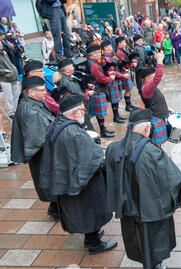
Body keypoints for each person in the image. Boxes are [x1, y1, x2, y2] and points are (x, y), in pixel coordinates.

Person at [105, 108, 181, 269]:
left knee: (135, 235)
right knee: (152, 238)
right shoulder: (152, 152)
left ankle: (147, 267)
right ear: (146, 128)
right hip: (149, 206)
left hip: (127, 206)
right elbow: (172, 180)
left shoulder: (113, 148)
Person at [39, 93, 115, 253]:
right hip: (81, 183)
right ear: (74, 112)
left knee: (84, 211)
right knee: (90, 210)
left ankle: (91, 236)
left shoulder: (57, 123)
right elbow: (91, 160)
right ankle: (94, 244)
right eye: (82, 109)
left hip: (65, 177)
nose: (85, 112)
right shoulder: (74, 133)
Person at [10, 76, 59, 221]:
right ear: (31, 92)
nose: (45, 93)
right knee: (50, 180)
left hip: (44, 153)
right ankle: (57, 211)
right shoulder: (31, 111)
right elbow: (38, 139)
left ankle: (54, 207)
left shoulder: (34, 102)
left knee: (49, 181)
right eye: (42, 90)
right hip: (43, 154)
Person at [137, 53, 174, 147]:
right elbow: (158, 77)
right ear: (144, 79)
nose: (154, 80)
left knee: (159, 144)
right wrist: (160, 61)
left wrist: (166, 108)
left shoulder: (149, 86)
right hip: (155, 118)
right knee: (155, 144)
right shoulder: (146, 88)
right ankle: (155, 158)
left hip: (159, 115)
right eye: (152, 78)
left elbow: (156, 100)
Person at [52, 58, 95, 131]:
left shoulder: (67, 79)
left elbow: (75, 90)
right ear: (66, 70)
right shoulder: (66, 81)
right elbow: (74, 97)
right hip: (76, 110)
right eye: (72, 66)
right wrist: (87, 94)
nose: (74, 68)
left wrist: (86, 86)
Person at [85, 44, 115, 138]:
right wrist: (111, 78)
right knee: (100, 113)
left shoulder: (93, 62)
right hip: (98, 91)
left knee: (100, 113)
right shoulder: (93, 65)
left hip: (98, 90)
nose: (100, 54)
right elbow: (101, 79)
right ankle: (103, 131)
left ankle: (103, 130)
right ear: (92, 54)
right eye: (98, 52)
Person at [101, 40, 127, 124]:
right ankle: (115, 117)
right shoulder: (105, 58)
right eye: (110, 46)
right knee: (114, 101)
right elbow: (112, 71)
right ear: (105, 48)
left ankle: (117, 115)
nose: (112, 48)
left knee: (117, 100)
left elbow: (116, 66)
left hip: (115, 80)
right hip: (112, 81)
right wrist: (122, 75)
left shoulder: (111, 56)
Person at [115, 36, 139, 112]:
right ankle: (128, 106)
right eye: (123, 42)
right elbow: (122, 64)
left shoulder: (122, 50)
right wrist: (131, 65)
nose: (125, 44)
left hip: (127, 71)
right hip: (124, 72)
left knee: (129, 89)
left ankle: (129, 104)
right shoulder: (118, 52)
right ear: (119, 43)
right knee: (128, 89)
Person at [0, 41, 20, 119]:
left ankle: (17, 109)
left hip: (13, 76)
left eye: (1, 43)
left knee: (16, 93)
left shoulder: (4, 52)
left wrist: (12, 66)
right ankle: (11, 112)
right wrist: (4, 71)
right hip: (4, 79)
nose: (1, 45)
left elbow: (9, 61)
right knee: (9, 96)